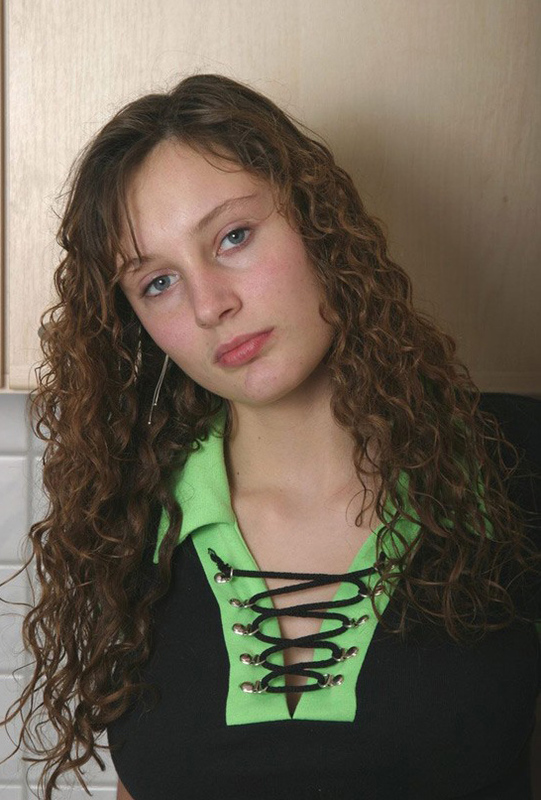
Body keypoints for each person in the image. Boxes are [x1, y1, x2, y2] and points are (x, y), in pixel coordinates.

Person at [1, 74, 540, 800]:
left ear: (317, 219)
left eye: (233, 236)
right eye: (157, 282)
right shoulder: (131, 521)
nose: (210, 305)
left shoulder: (512, 461)